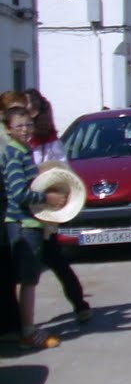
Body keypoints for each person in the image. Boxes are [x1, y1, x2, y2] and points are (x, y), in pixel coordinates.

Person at [2, 106, 70, 349]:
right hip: (23, 223)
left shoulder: (23, 151)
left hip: (28, 222)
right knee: (28, 280)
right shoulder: (15, 154)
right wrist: (47, 198)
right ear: (9, 129)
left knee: (29, 280)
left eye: (28, 125)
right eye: (19, 126)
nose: (25, 130)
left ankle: (26, 329)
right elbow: (19, 193)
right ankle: (28, 333)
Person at [25, 92, 90, 325]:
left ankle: (79, 304)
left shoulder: (50, 143)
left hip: (43, 207)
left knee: (54, 259)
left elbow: (63, 171)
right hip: (24, 205)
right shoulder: (17, 142)